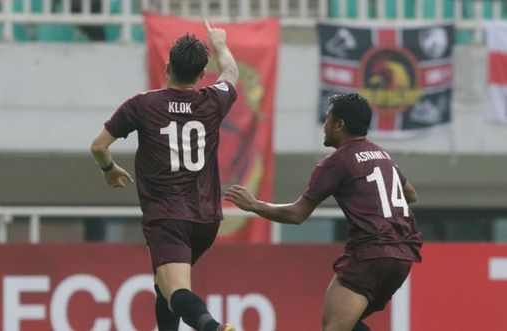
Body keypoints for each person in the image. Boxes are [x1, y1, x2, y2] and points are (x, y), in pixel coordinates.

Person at [224, 93, 423, 331]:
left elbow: (297, 214)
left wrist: (255, 205)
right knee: (348, 324)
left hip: (369, 255)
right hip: (402, 258)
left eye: (328, 119)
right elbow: (411, 194)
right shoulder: (383, 156)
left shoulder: (336, 162)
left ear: (339, 125)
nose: (325, 125)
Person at [90, 19, 238, 331]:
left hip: (168, 217)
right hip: (207, 219)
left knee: (176, 292)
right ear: (200, 75)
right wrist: (220, 43)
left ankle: (213, 328)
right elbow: (231, 73)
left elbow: (98, 146)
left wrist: (108, 170)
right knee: (163, 285)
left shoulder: (143, 105)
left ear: (167, 66)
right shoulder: (213, 100)